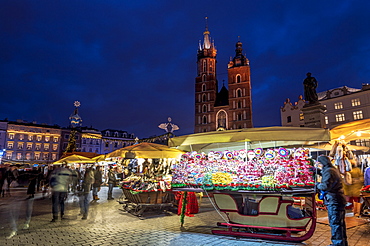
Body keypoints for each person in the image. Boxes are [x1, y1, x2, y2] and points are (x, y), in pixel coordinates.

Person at [317, 155, 348, 246]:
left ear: (323, 163)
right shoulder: (332, 169)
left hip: (334, 200)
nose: (319, 165)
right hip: (338, 199)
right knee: (340, 223)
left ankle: (337, 243)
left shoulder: (329, 171)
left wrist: (317, 184)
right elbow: (326, 175)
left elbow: (325, 186)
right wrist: (319, 172)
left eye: (319, 163)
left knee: (335, 223)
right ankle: (342, 243)